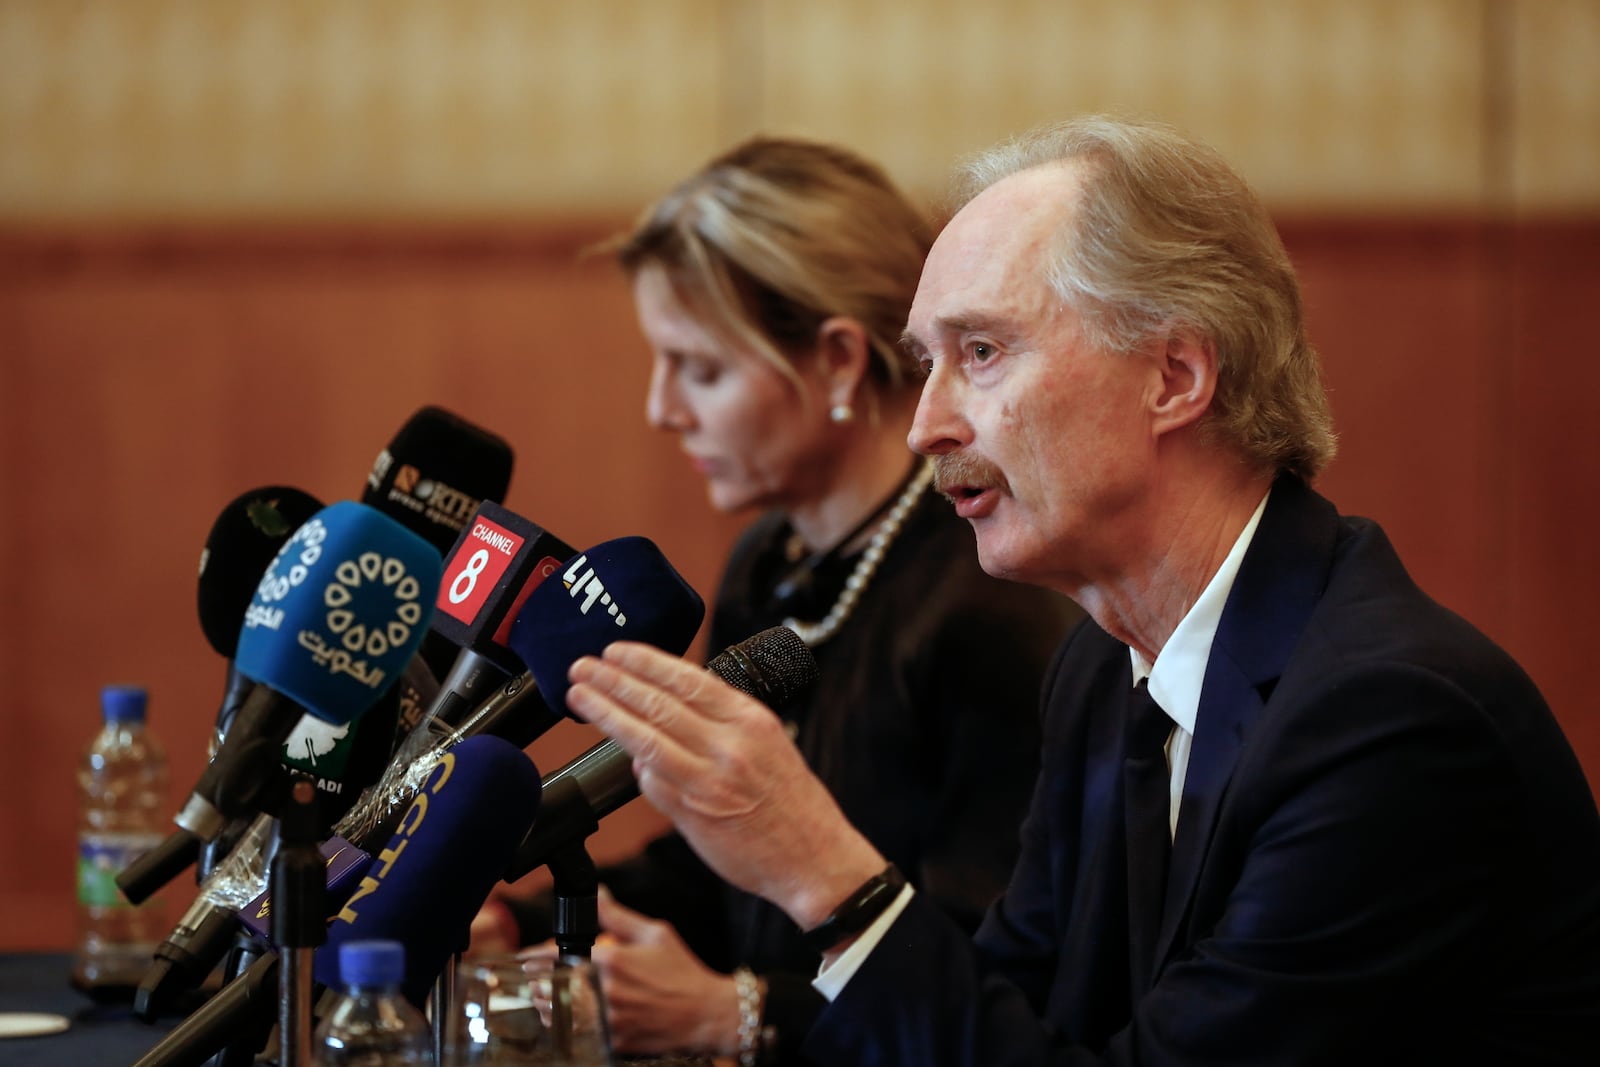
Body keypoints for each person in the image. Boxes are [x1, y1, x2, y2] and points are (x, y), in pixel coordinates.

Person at [562, 116, 1600, 1065]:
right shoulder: (1104, 668)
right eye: (925, 363)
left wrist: (826, 876)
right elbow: (1010, 1018)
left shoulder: (1389, 720)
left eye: (980, 352)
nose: (925, 425)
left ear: (1174, 378)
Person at [476, 135, 1083, 1064]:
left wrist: (742, 1011)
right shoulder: (772, 559)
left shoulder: (986, 603)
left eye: (701, 369)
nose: (662, 407)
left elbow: (994, 982)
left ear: (839, 361)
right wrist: (516, 919)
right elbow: (717, 865)